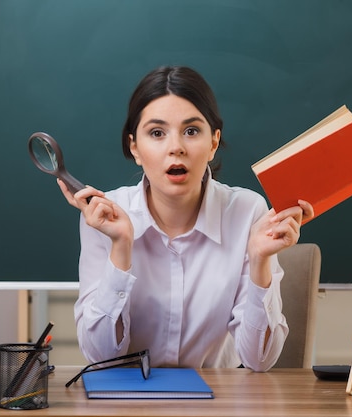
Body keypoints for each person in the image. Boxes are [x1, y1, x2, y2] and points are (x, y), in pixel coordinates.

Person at [57, 65, 313, 371]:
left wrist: (259, 261)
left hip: (217, 402)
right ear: (134, 147)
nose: (176, 148)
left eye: (191, 131)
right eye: (156, 133)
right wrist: (121, 247)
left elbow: (259, 361)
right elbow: (100, 356)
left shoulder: (248, 212)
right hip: (129, 403)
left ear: (213, 143)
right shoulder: (105, 216)